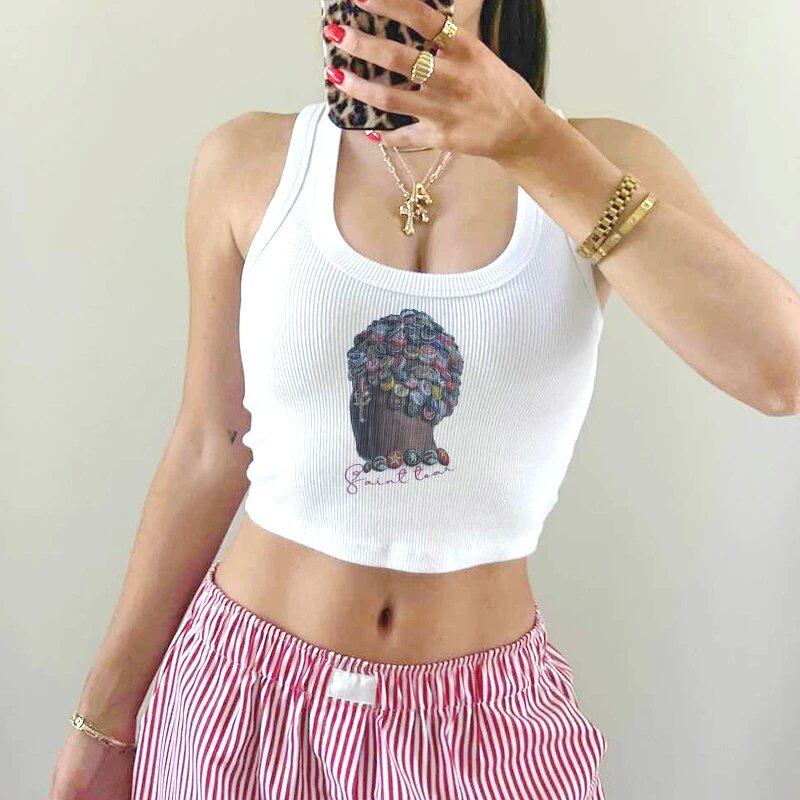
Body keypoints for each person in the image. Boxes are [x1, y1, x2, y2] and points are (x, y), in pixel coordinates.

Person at [50, 0, 800, 798]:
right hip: (242, 701)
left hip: (485, 731)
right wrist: (103, 719)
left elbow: (778, 370)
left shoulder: (596, 163)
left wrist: (533, 143)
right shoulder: (248, 161)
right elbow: (210, 446)